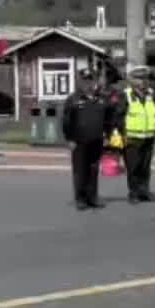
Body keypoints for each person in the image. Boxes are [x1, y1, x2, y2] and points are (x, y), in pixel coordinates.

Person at [62, 70, 112, 210]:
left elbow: (108, 119)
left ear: (95, 81)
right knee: (80, 170)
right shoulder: (73, 99)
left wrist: (107, 136)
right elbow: (67, 121)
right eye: (85, 80)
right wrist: (70, 139)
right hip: (79, 141)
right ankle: (80, 198)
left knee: (93, 170)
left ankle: (92, 197)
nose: (88, 83)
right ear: (80, 81)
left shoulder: (101, 99)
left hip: (96, 140)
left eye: (91, 80)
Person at [121, 65, 155, 203]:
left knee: (145, 167)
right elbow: (119, 116)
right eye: (139, 78)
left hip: (149, 136)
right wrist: (122, 135)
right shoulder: (126, 95)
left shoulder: (151, 94)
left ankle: (144, 191)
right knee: (133, 167)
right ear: (131, 80)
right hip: (132, 137)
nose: (143, 82)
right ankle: (133, 193)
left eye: (145, 78)